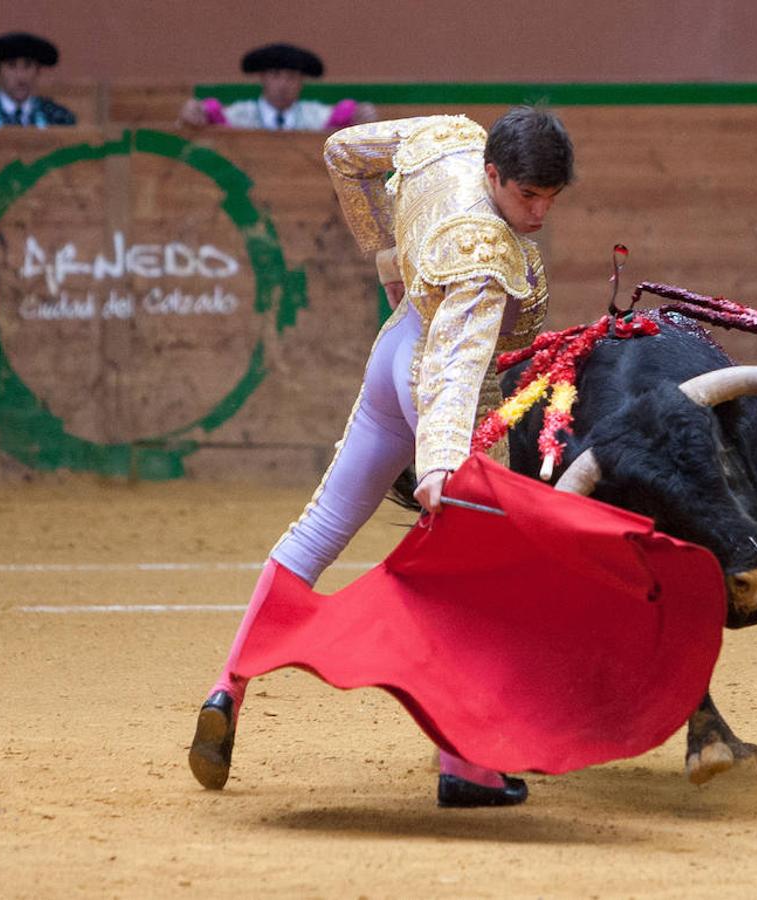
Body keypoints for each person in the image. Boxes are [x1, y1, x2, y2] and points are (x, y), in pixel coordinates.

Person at [188, 107, 574, 807]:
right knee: (476, 580)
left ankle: (229, 685)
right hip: (434, 387)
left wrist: (386, 257)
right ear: (493, 174)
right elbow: (456, 370)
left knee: (320, 526)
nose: (538, 212)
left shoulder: (446, 139)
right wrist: (440, 466)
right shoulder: (487, 255)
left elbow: (343, 152)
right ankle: (465, 766)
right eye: (526, 195)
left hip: (393, 346)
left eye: (550, 198)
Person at [178, 42, 375, 131]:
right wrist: (191, 115)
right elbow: (195, 121)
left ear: (301, 82)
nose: (283, 84)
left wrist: (363, 118)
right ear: (263, 78)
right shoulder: (238, 115)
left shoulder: (319, 117)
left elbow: (353, 125)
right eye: (275, 75)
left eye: (291, 77)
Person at [0, 32, 75, 127]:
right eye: (11, 66)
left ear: (38, 71)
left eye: (28, 66)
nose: (21, 76)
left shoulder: (58, 118)